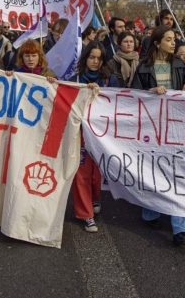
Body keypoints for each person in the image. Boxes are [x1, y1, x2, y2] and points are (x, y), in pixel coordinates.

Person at [131, 25, 185, 247]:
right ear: (157, 43)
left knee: (179, 173)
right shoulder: (143, 68)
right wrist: (149, 93)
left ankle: (180, 229)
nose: (173, 42)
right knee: (154, 170)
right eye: (168, 39)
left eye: (174, 39)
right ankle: (151, 211)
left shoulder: (179, 65)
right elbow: (133, 97)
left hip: (177, 127)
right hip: (153, 128)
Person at [72, 42, 118, 233]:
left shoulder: (110, 80)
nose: (95, 61)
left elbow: (118, 101)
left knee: (97, 172)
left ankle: (95, 197)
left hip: (102, 134)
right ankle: (86, 214)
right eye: (91, 57)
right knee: (81, 174)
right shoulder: (75, 78)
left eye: (99, 58)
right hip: (80, 132)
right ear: (85, 58)